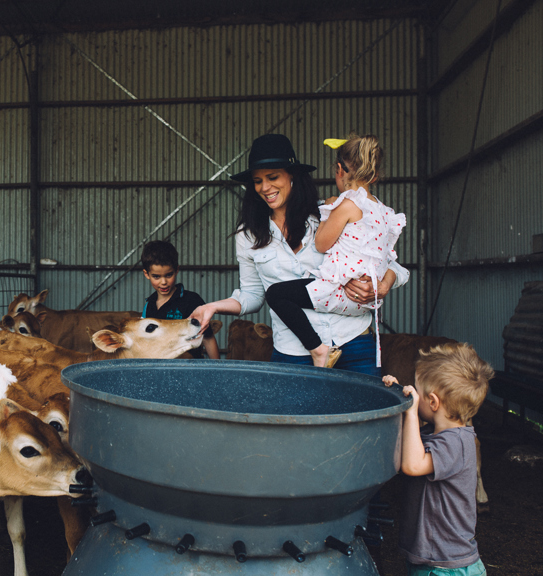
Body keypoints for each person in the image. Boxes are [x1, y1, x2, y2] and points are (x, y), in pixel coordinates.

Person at [189, 133, 409, 377]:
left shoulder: (327, 213)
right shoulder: (248, 235)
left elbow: (389, 261)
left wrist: (385, 283)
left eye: (273, 177)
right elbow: (253, 295)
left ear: (291, 176)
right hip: (293, 352)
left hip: (353, 341)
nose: (265, 188)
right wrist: (212, 306)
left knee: (364, 414)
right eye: (257, 181)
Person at [263, 134, 406, 368]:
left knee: (276, 294)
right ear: (375, 175)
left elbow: (321, 243)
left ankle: (317, 349)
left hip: (339, 292)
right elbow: (388, 256)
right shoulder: (383, 211)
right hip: (365, 299)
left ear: (339, 169)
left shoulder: (345, 205)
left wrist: (329, 212)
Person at [382, 343, 493, 576]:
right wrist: (395, 396)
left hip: (446, 565)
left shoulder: (457, 444)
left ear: (433, 402)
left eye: (417, 391)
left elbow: (412, 465)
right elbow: (406, 445)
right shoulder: (435, 434)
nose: (413, 394)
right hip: (434, 559)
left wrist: (411, 412)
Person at [141, 240, 220, 359]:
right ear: (146, 274)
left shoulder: (191, 301)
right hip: (158, 369)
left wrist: (218, 371)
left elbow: (208, 338)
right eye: (156, 276)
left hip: (188, 369)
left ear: (177, 270)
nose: (163, 282)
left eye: (169, 275)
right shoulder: (148, 306)